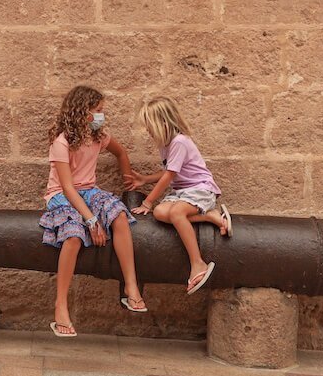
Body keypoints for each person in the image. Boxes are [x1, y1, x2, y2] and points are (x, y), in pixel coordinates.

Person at [39, 85, 147, 337]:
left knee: (119, 216)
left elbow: (121, 152)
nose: (102, 115)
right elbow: (66, 187)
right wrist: (90, 220)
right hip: (62, 195)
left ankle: (130, 287)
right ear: (83, 111)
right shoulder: (62, 142)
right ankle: (60, 306)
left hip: (89, 190)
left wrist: (128, 180)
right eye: (98, 111)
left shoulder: (98, 137)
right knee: (74, 236)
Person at [128, 96, 232, 295]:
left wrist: (148, 201)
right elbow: (170, 170)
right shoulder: (165, 144)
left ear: (163, 123)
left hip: (200, 189)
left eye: (149, 125)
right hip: (182, 192)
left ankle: (198, 263)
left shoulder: (180, 142)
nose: (148, 131)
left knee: (175, 214)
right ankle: (209, 216)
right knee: (160, 212)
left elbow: (169, 176)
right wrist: (145, 179)